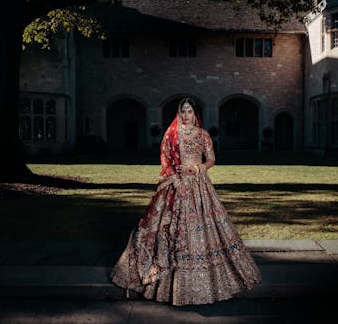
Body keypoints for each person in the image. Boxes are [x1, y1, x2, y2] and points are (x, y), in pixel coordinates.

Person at [110, 98, 262, 306]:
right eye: (183, 111)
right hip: (175, 184)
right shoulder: (171, 134)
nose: (186, 115)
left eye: (190, 112)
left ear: (195, 113)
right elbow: (164, 158)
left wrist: (197, 168)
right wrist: (175, 179)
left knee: (208, 230)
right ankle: (163, 280)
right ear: (179, 112)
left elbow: (211, 159)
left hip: (199, 185)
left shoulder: (203, 134)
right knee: (164, 228)